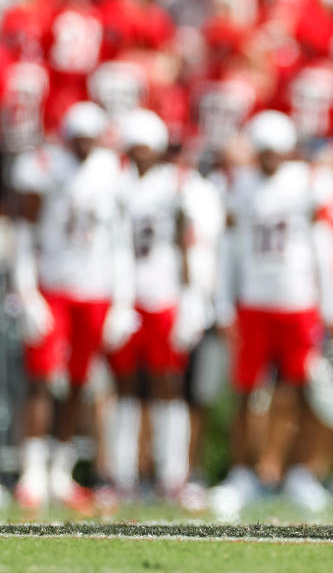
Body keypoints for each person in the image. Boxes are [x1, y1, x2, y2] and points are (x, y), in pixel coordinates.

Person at [210, 110, 333, 519]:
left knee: (299, 390)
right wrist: (223, 302)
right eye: (263, 151)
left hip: (298, 301)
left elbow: (322, 244)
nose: (269, 158)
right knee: (245, 392)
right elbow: (228, 249)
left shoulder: (308, 183)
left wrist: (331, 303)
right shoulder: (239, 186)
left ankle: (296, 473)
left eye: (275, 151)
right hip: (254, 302)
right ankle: (242, 473)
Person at [10, 101, 138, 512]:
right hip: (53, 286)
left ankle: (61, 472)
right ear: (66, 136)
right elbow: (26, 236)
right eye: (77, 138)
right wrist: (26, 292)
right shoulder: (44, 166)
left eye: (90, 138)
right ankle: (32, 471)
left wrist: (122, 302)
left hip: (95, 289)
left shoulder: (115, 171)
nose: (84, 146)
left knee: (81, 382)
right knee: (41, 378)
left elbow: (121, 243)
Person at [105, 109, 206, 499]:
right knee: (125, 386)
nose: (143, 155)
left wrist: (191, 298)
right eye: (137, 148)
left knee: (169, 384)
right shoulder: (116, 184)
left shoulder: (175, 186)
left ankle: (172, 476)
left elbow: (187, 245)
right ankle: (122, 475)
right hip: (125, 296)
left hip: (164, 294)